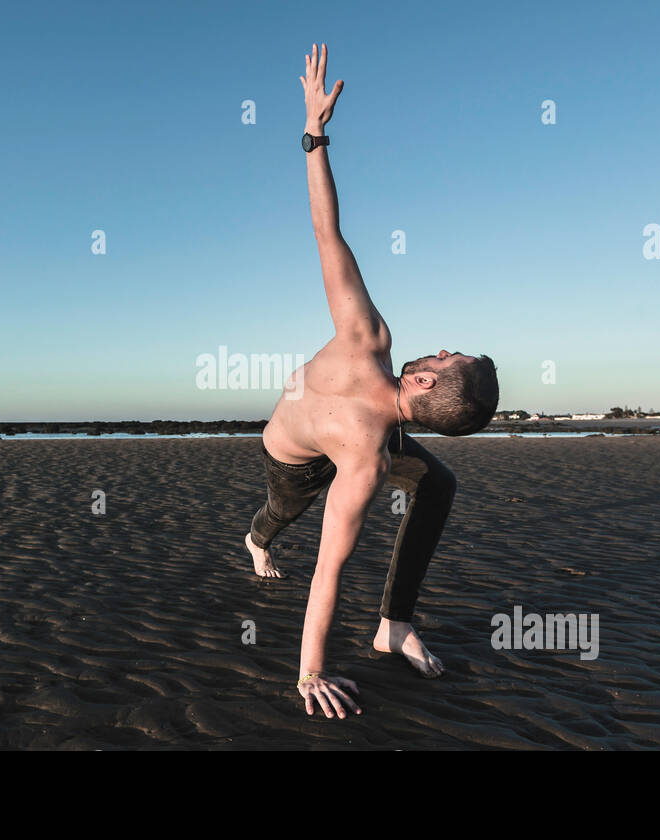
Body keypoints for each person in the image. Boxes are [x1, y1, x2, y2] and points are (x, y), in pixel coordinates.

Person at [244, 44, 499, 720]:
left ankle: (393, 624)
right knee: (280, 517)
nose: (443, 347)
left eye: (448, 358)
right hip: (290, 453)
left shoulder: (368, 349)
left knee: (434, 483)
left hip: (353, 442)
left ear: (420, 380)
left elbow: (329, 576)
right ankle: (255, 543)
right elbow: (327, 231)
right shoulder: (369, 432)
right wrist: (314, 130)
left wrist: (310, 676)